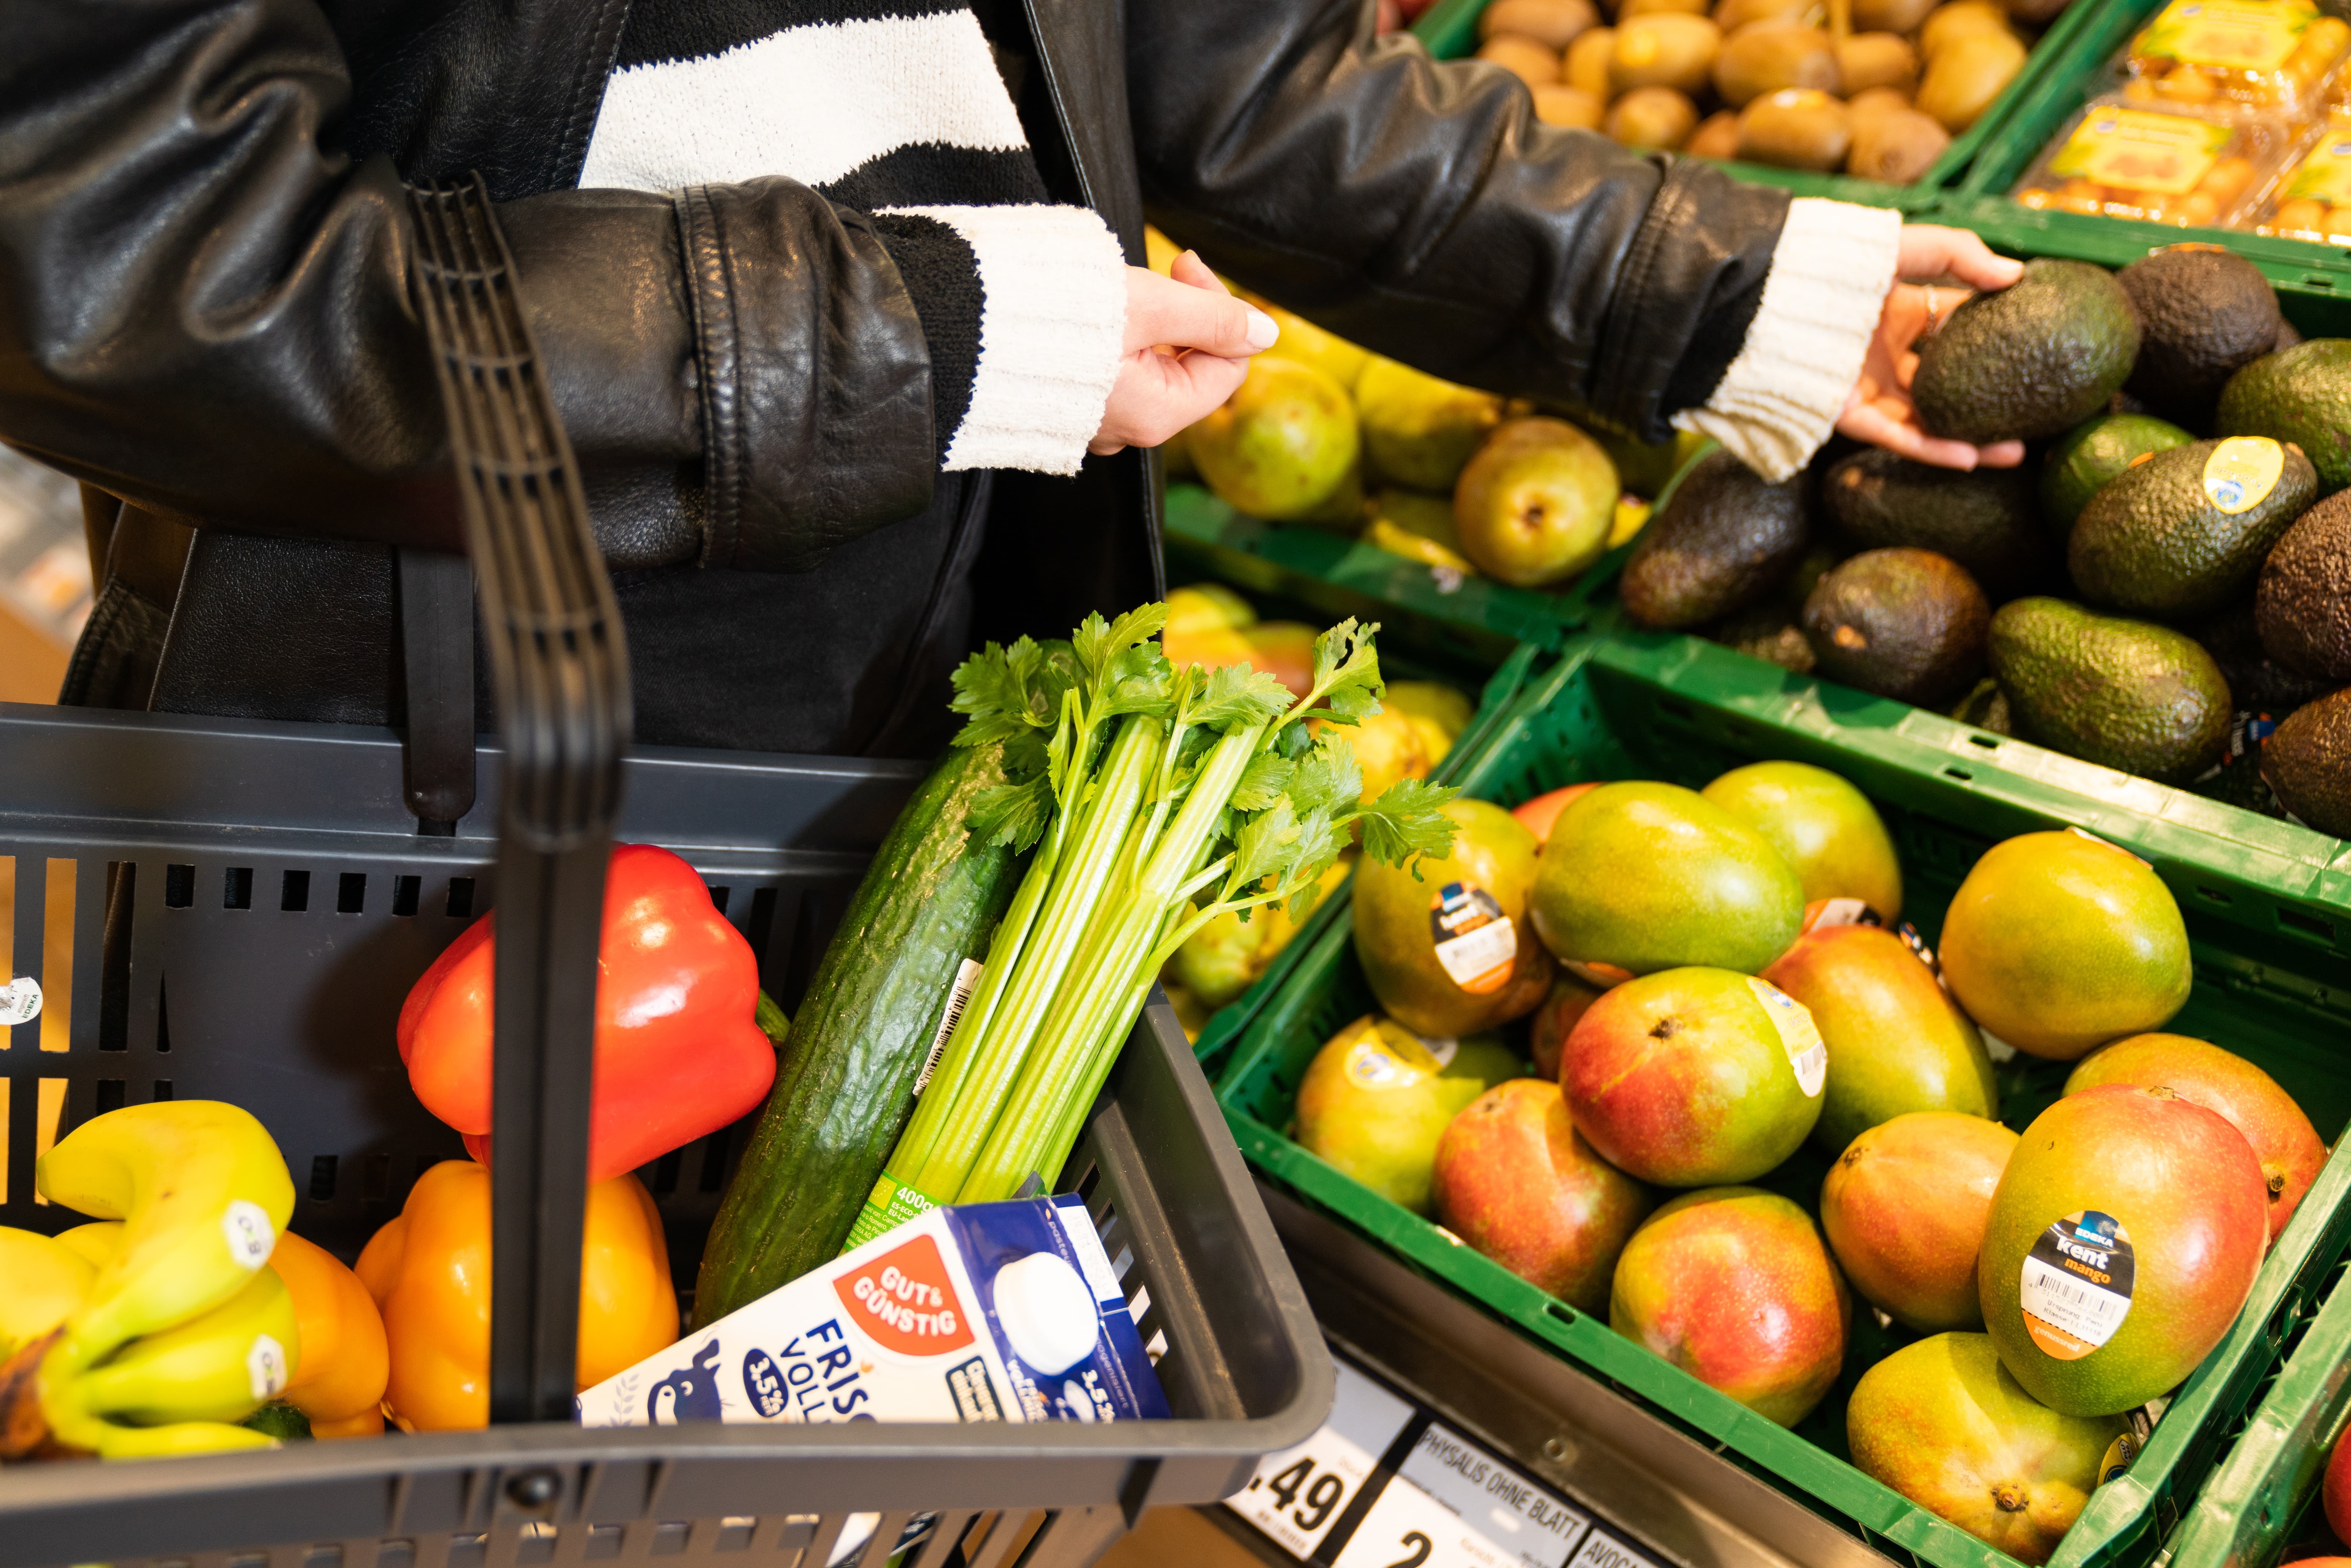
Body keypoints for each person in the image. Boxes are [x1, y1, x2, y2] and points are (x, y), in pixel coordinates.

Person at [0, 0, 2022, 763]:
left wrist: (1702, 284)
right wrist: (930, 341)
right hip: (399, 753)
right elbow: (125, 251)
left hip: (942, 696)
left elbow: (1216, 59)